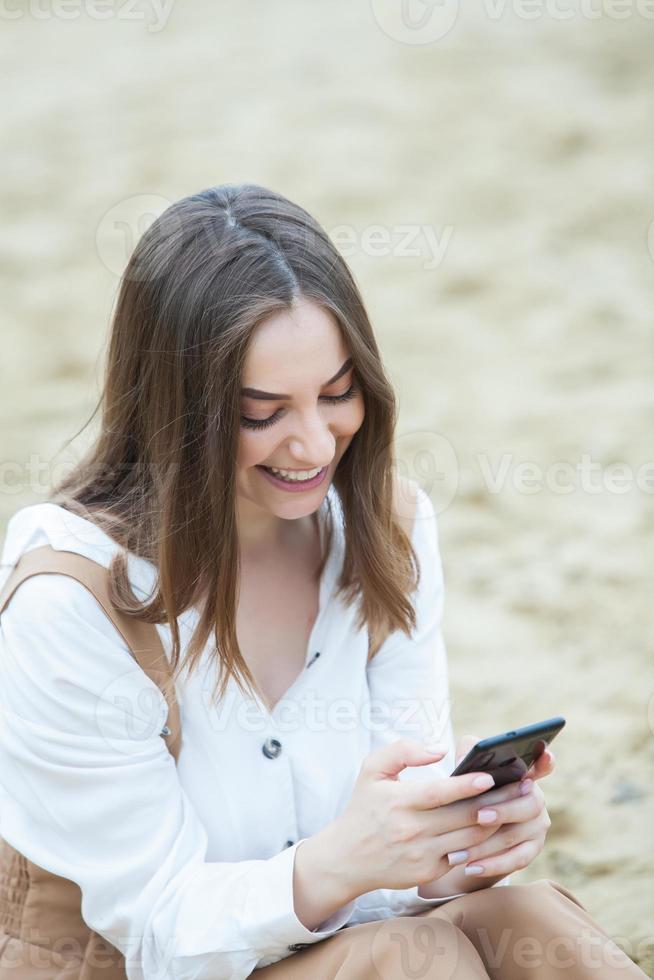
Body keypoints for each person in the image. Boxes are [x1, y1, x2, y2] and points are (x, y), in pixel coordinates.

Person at [0, 183, 646, 979]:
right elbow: (162, 937)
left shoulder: (388, 533)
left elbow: (389, 897)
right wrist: (338, 865)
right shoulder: (72, 601)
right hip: (148, 964)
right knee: (410, 961)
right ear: (176, 412)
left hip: (337, 950)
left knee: (531, 922)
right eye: (260, 412)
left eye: (338, 394)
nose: (312, 444)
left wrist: (446, 853)